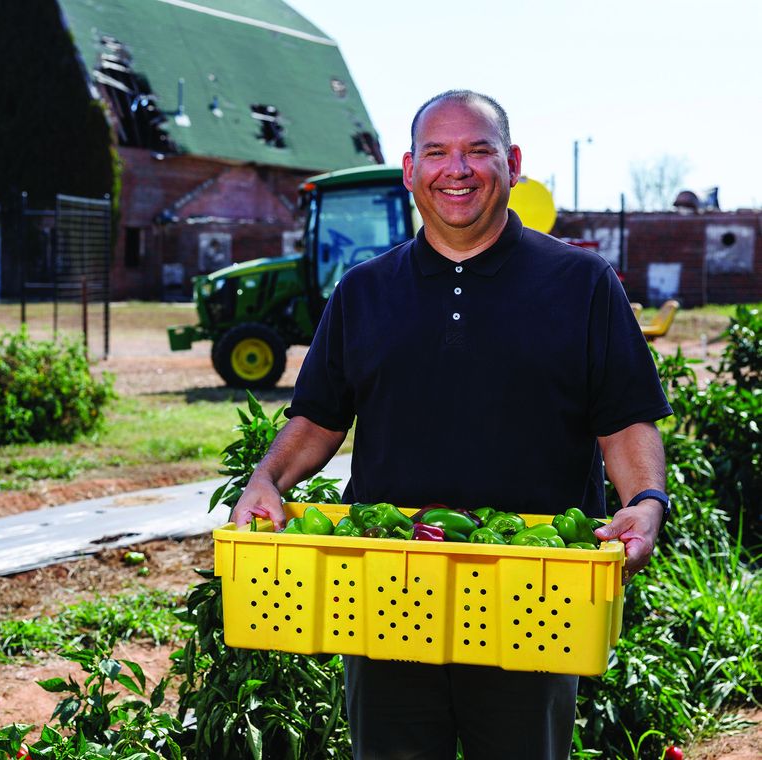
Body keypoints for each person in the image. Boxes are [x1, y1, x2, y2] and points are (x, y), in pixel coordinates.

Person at [230, 90, 672, 760]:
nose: (455, 169)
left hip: (533, 597)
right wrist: (267, 478)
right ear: (410, 169)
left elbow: (625, 420)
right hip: (387, 593)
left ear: (513, 163)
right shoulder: (364, 290)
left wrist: (646, 501)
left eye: (478, 150)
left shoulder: (580, 282)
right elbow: (317, 418)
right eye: (436, 152)